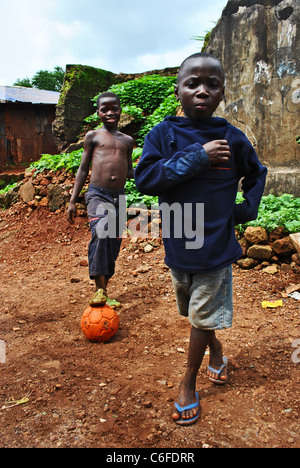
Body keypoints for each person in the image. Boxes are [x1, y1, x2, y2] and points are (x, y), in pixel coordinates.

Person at [134, 53, 267, 425]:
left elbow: (257, 174)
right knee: (193, 314)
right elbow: (146, 179)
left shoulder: (232, 138)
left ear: (223, 92)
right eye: (193, 83)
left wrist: (244, 211)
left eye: (212, 84)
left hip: (216, 248)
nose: (202, 91)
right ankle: (218, 354)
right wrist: (199, 157)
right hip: (179, 245)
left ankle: (187, 384)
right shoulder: (163, 134)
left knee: (201, 317)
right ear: (178, 89)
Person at [67, 91, 134, 306]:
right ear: (98, 113)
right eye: (104, 109)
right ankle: (99, 290)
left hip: (119, 197)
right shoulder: (93, 137)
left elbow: (131, 172)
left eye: (114, 108)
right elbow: (83, 168)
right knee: (101, 233)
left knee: (114, 244)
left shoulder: (127, 141)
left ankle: (105, 291)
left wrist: (156, 173)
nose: (110, 112)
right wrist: (72, 200)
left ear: (120, 110)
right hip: (97, 193)